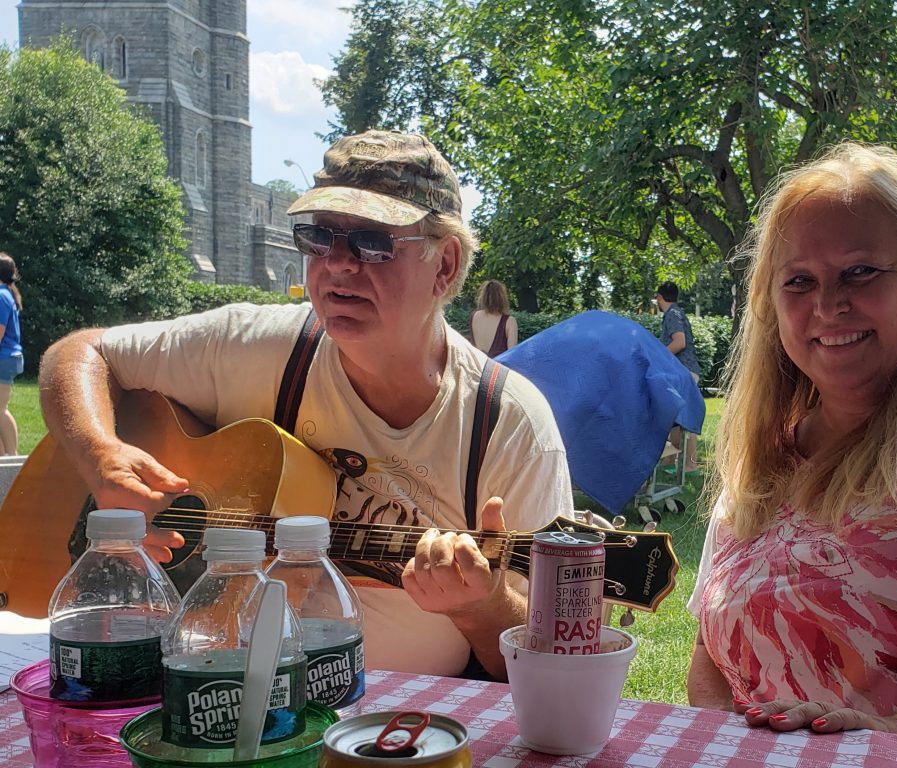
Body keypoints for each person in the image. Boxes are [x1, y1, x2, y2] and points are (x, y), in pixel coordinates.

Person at [38, 129, 574, 681]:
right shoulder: (257, 344)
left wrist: (480, 606)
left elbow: (551, 665)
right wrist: (100, 456)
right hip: (190, 677)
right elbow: (82, 353)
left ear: (444, 265)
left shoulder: (509, 424)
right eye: (318, 236)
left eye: (372, 240)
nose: (338, 264)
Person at [686, 142, 897, 747]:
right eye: (798, 281)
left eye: (861, 271)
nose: (827, 304)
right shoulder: (760, 460)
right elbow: (708, 658)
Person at [654, 281, 701, 472]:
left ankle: (690, 464)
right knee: (675, 418)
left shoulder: (672, 314)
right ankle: (669, 462)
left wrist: (658, 355)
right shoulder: (676, 312)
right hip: (683, 372)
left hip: (683, 373)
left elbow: (679, 342)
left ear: (659, 297)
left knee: (685, 421)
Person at [0, 253, 23, 455]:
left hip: (3, 358)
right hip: (8, 358)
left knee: (0, 409)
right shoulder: (7, 293)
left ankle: (12, 458)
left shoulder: (0, 295)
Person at [469, 279, 518, 356]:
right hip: (498, 367)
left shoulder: (475, 316)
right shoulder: (510, 322)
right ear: (502, 298)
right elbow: (512, 356)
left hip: (478, 366)